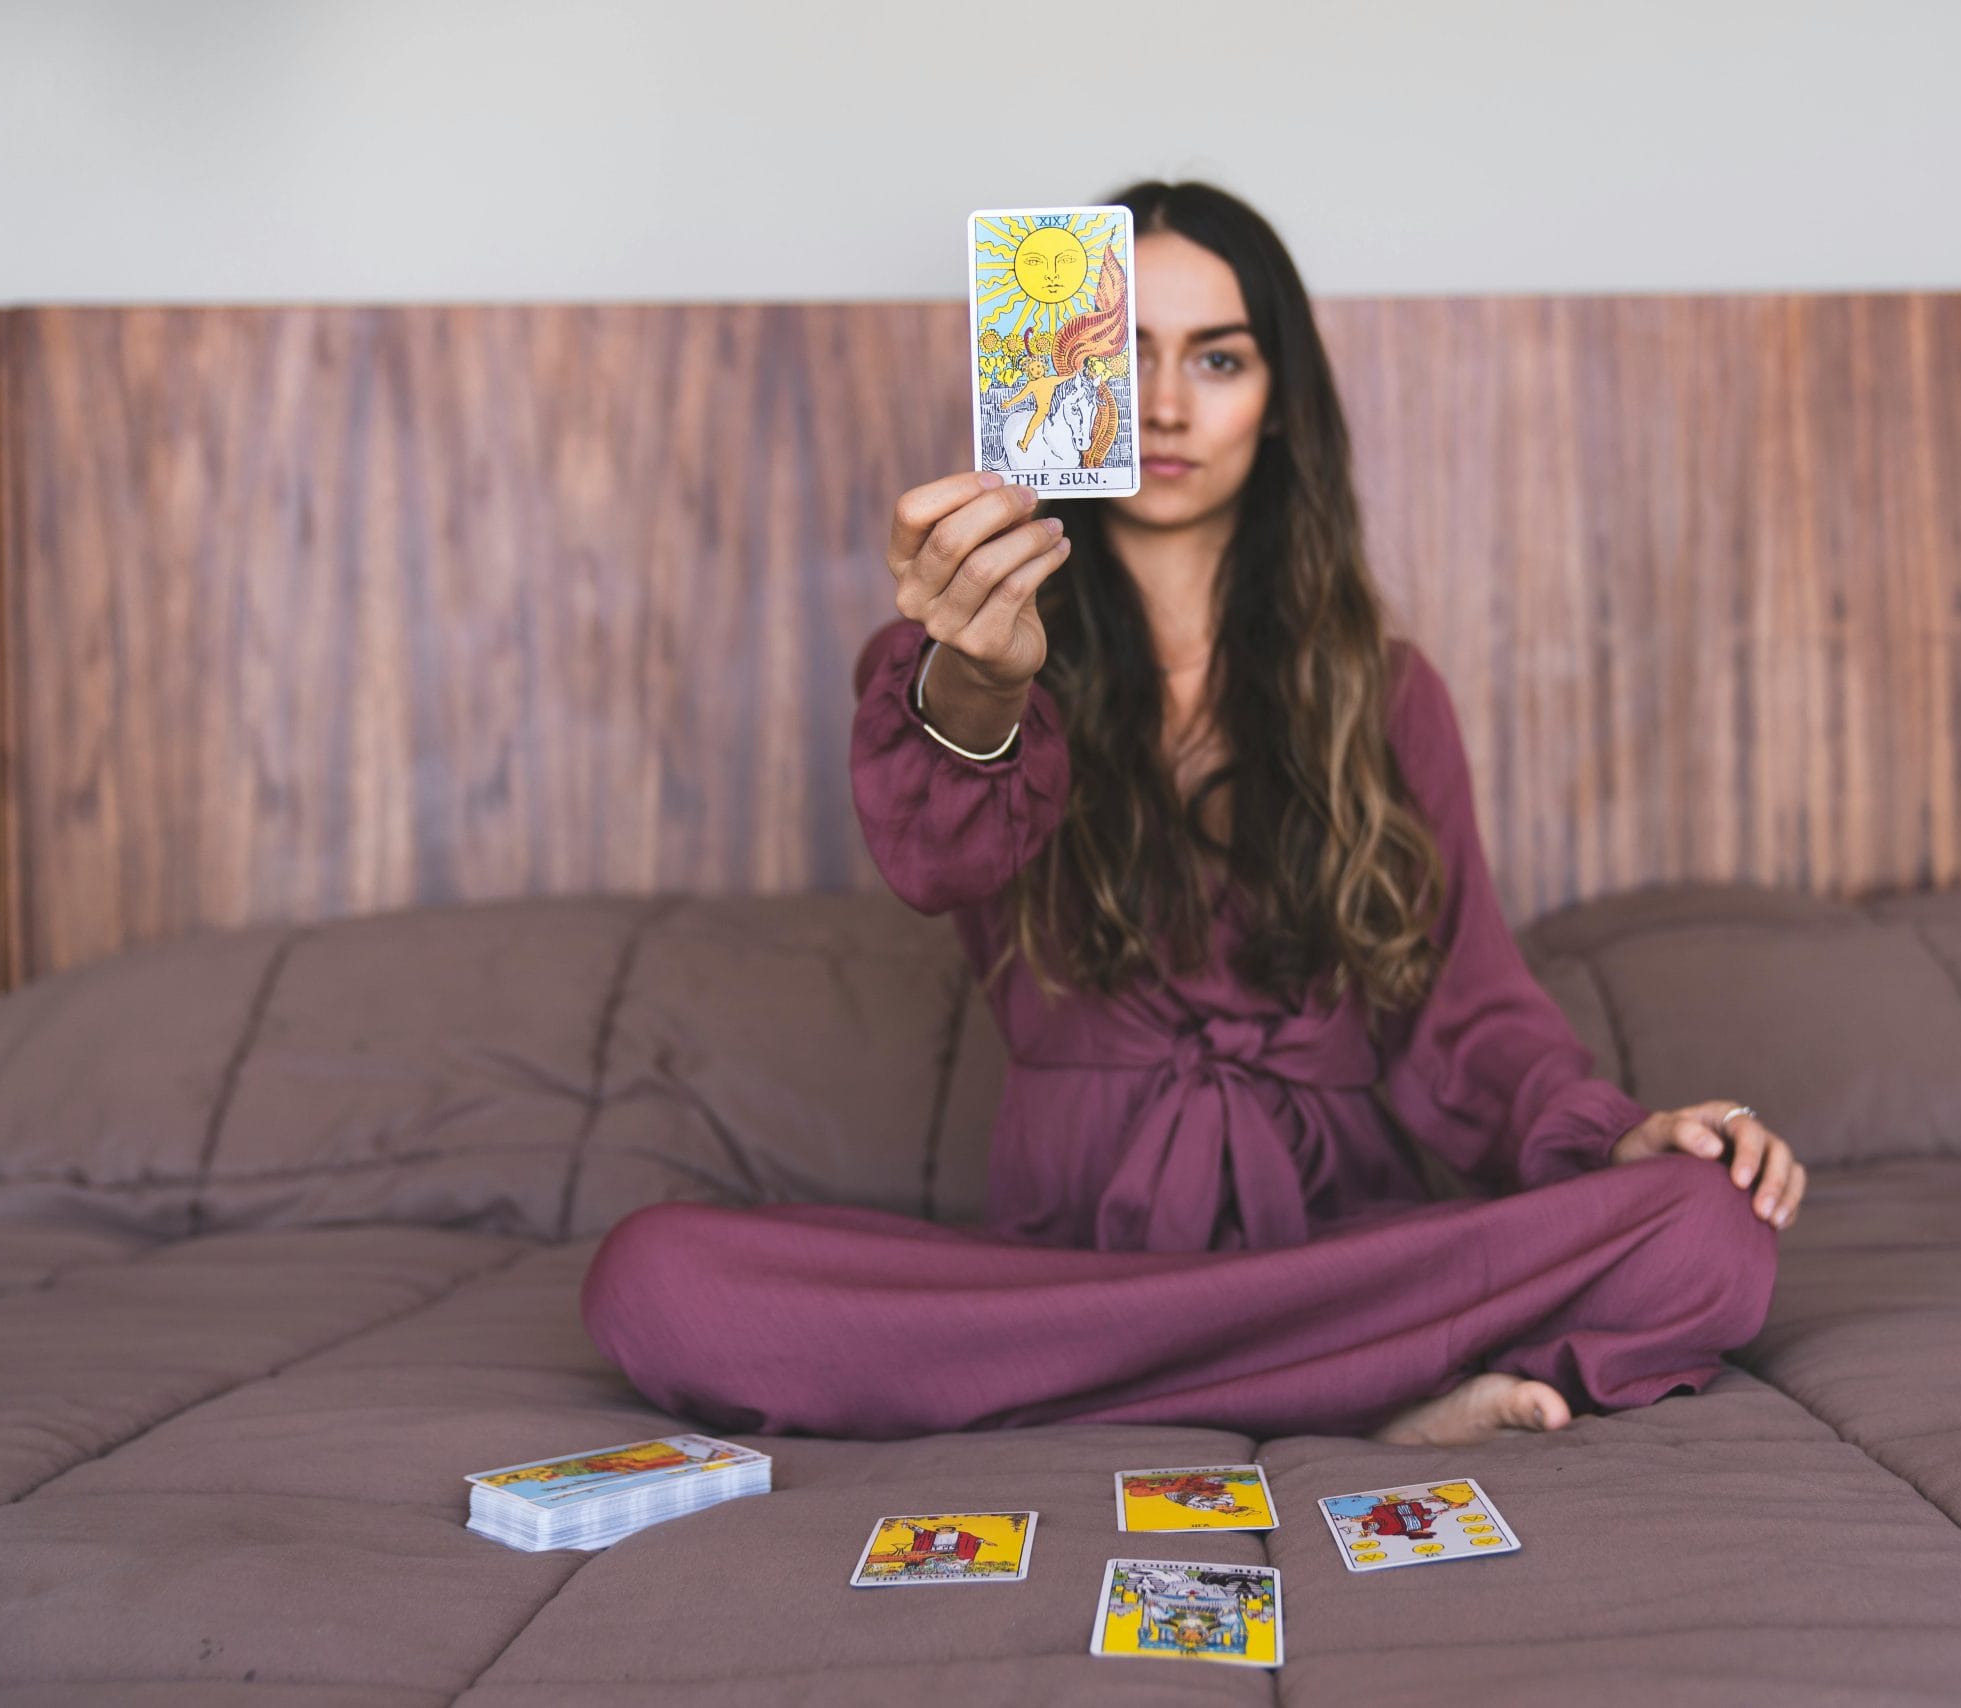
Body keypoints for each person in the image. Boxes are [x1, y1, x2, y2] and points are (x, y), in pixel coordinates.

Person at [581, 181, 1806, 1449]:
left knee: (1708, 1230)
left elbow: (1469, 1021)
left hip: (1345, 1259)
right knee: (657, 1281)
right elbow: (940, 854)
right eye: (1121, 354)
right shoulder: (955, 660)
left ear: (1280, 401)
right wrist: (983, 681)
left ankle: (1173, 1384)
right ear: (1057, 374)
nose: (1164, 405)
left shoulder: (1386, 692)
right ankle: (1361, 1395)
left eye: (1217, 358)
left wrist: (1620, 1137)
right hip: (1073, 1273)